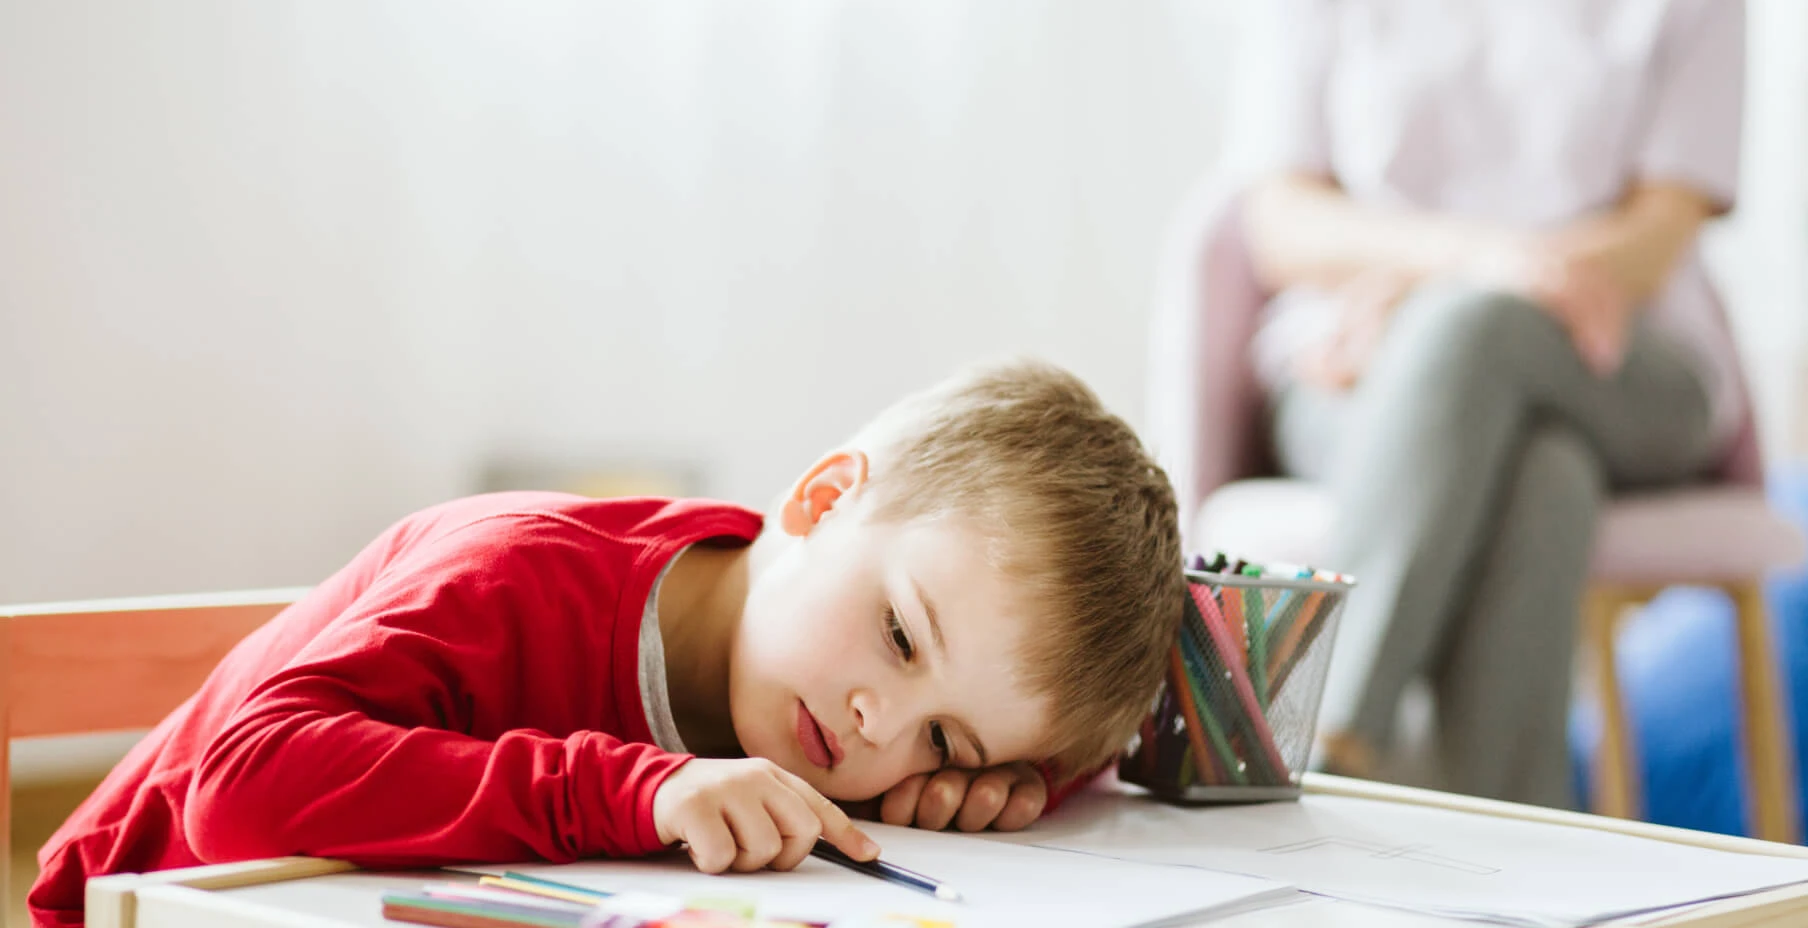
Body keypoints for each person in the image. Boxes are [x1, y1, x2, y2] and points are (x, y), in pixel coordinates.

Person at [30, 360, 1185, 927]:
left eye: (942, 737)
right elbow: (238, 787)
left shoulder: (849, 710)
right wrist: (631, 790)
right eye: (898, 635)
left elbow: (1028, 703)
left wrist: (1019, 776)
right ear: (824, 498)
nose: (882, 724)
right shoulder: (514, 571)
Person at [1228, 0, 1746, 807]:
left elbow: (1659, 233)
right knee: (1540, 474)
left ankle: (1314, 741)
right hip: (1353, 372)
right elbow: (1281, 222)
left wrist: (1467, 296)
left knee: (1477, 338)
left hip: (1620, 368)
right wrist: (1477, 261)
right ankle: (1517, 872)